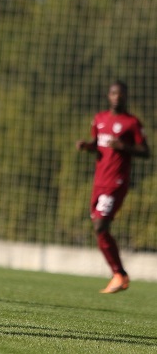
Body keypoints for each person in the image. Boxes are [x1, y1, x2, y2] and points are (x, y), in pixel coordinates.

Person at [76, 80, 149, 294]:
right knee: (99, 229)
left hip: (116, 183)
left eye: (121, 93)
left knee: (100, 225)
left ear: (126, 96)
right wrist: (87, 146)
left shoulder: (132, 123)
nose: (117, 97)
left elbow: (146, 151)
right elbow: (98, 146)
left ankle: (120, 273)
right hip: (98, 182)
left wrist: (124, 147)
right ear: (109, 96)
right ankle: (119, 275)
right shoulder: (99, 119)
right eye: (114, 93)